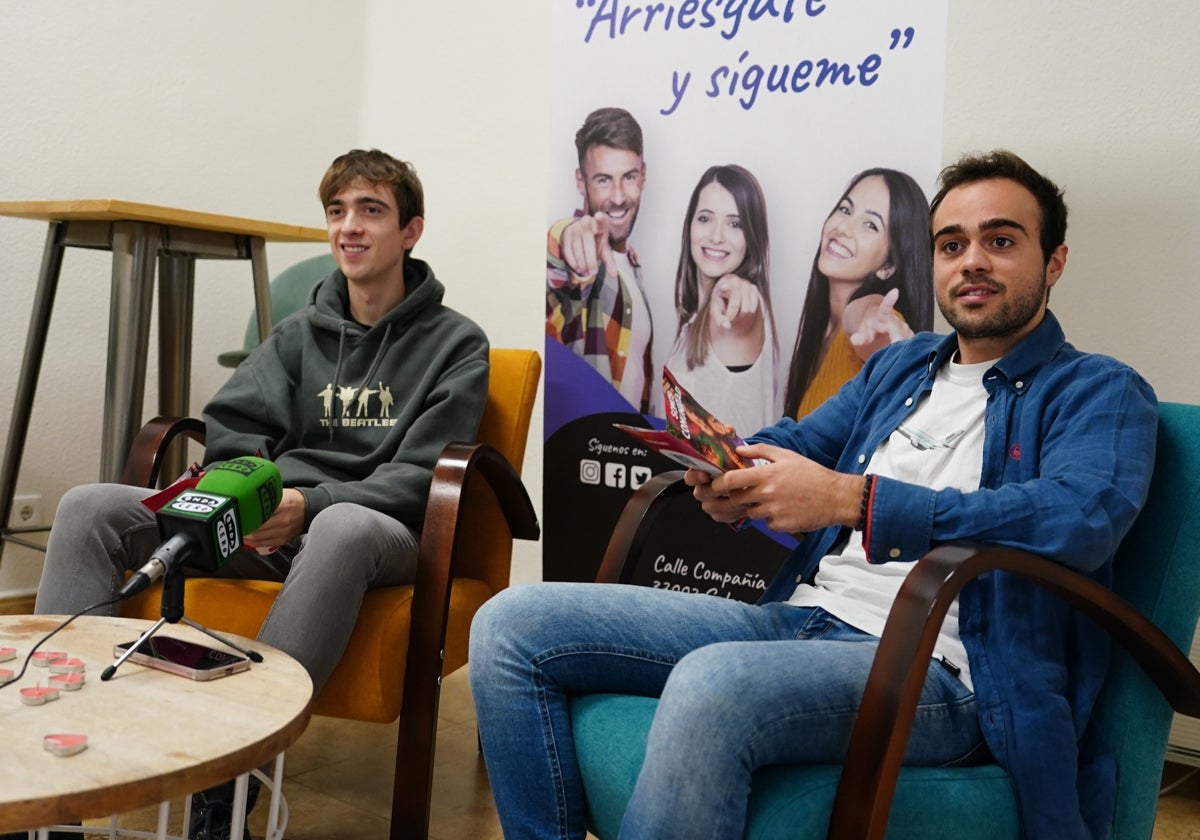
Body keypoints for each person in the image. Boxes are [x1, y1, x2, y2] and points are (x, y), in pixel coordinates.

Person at [470, 150, 1158, 840]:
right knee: (510, 625)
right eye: (952, 245)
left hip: (948, 674)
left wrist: (856, 502)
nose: (971, 261)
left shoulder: (1099, 389)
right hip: (799, 619)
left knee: (714, 685)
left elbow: (1079, 518)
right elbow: (804, 441)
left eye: (1000, 241)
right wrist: (728, 468)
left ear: (1054, 261)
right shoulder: (902, 364)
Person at [31, 148, 490, 840]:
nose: (349, 228)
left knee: (344, 529)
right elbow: (232, 427)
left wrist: (313, 504)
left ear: (411, 231)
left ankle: (231, 789)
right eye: (337, 212)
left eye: (371, 210)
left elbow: (424, 473)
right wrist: (253, 499)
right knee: (89, 505)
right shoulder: (297, 334)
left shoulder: (457, 344)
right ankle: (48, 778)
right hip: (270, 525)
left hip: (379, 533)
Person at [782, 167, 934, 419]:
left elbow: (864, 313)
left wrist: (874, 316)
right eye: (845, 209)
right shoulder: (823, 328)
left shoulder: (867, 326)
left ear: (888, 266)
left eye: (870, 225)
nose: (843, 227)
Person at [546, 106, 654, 414]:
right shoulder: (576, 247)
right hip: (579, 450)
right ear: (581, 182)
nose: (619, 197)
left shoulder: (632, 264)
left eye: (629, 177)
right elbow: (560, 254)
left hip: (626, 454)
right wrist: (569, 235)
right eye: (603, 180)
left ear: (643, 175)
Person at [664, 164, 779, 437]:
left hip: (730, 481)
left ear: (751, 237)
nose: (716, 236)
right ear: (689, 226)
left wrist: (733, 288)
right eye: (705, 219)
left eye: (734, 224)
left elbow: (738, 304)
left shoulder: (736, 311)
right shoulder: (693, 320)